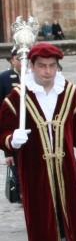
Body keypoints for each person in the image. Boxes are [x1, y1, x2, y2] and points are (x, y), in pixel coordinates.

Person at [0, 43, 76, 241]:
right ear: (31, 66)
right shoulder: (18, 98)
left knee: (64, 221)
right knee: (42, 222)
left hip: (64, 170)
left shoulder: (71, 95)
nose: (47, 71)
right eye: (41, 66)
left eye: (52, 66)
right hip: (34, 172)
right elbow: (3, 133)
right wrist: (12, 140)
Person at [1, 48, 22, 201]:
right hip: (13, 135)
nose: (22, 60)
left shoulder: (36, 76)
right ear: (12, 59)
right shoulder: (4, 78)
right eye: (18, 57)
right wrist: (7, 152)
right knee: (18, 174)